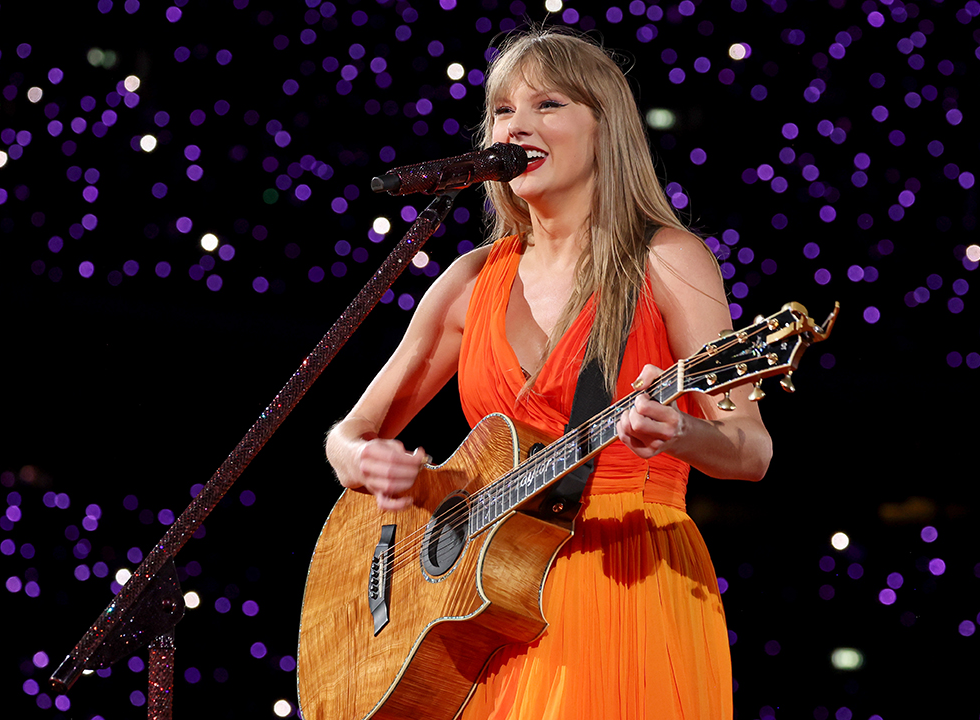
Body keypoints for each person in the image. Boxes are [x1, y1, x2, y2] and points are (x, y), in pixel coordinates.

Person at [325, 27, 772, 720]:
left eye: (549, 104)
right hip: (481, 614)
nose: (518, 125)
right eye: (503, 110)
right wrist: (366, 459)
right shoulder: (471, 281)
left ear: (605, 129)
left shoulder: (669, 259)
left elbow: (751, 449)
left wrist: (680, 432)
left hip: (628, 585)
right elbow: (348, 434)